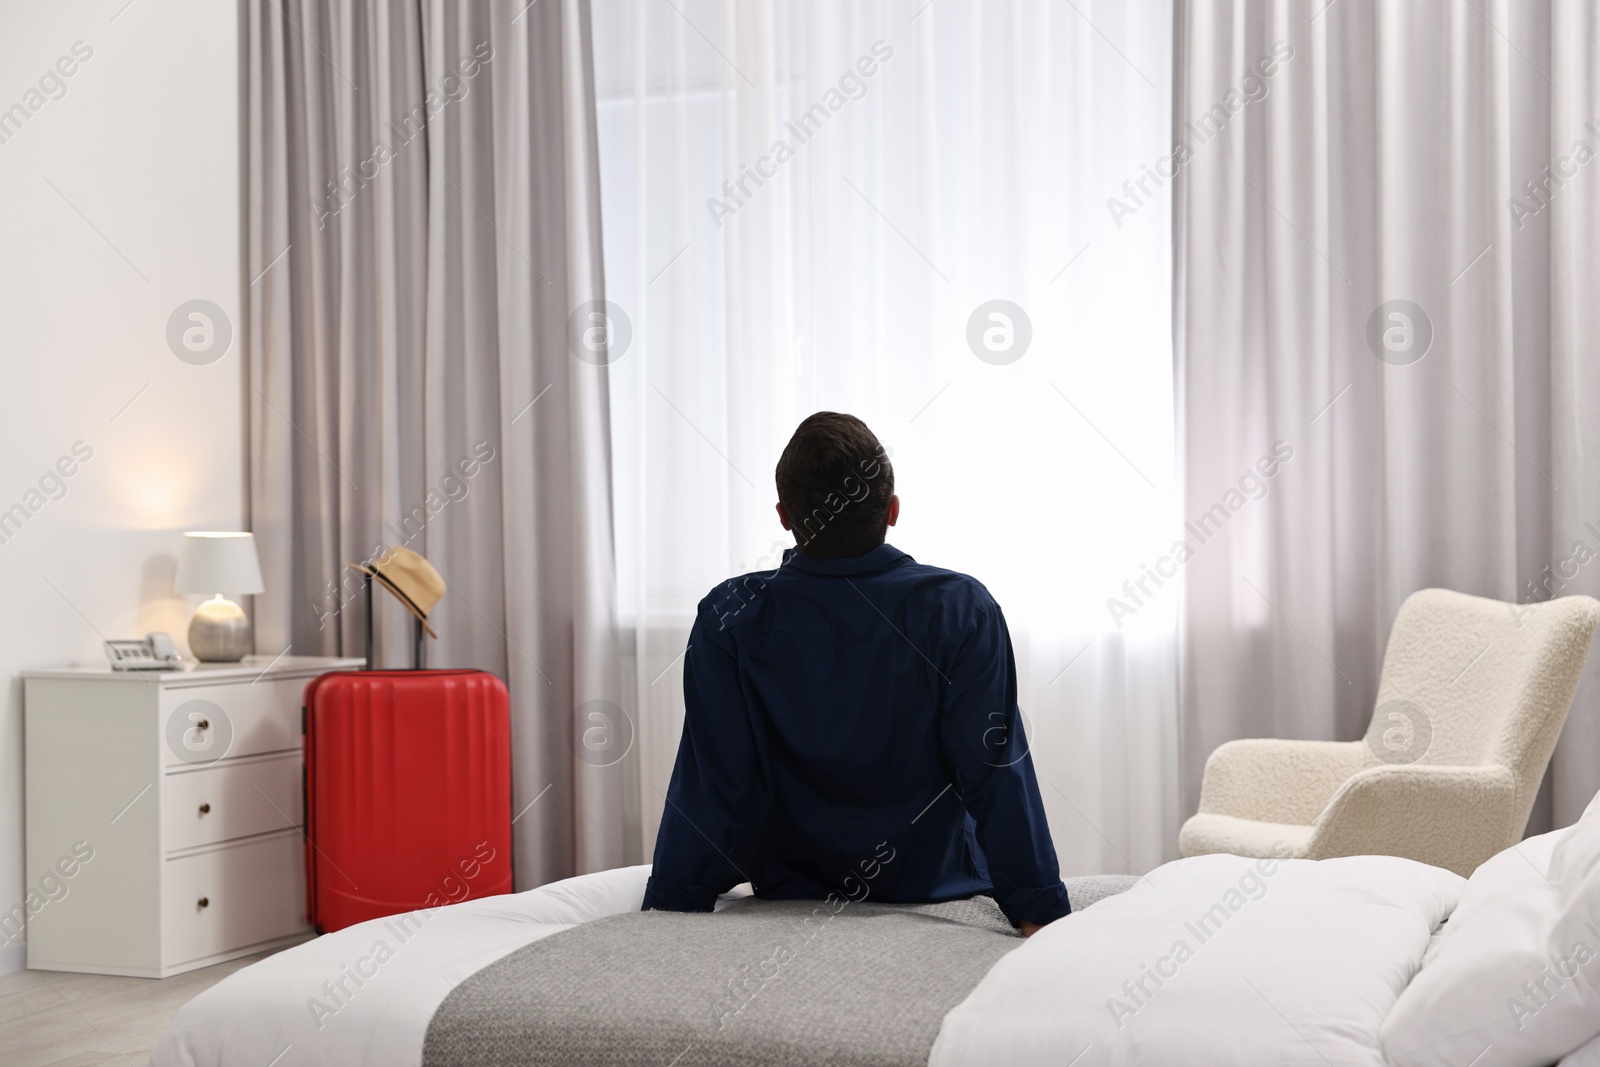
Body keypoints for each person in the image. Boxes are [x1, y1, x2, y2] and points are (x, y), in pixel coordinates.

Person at [641, 411, 1070, 935]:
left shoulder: (729, 614)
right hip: (932, 882)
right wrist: (1040, 913)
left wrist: (669, 910)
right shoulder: (960, 609)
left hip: (791, 889)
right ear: (893, 510)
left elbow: (712, 784)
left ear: (783, 515)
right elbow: (994, 771)